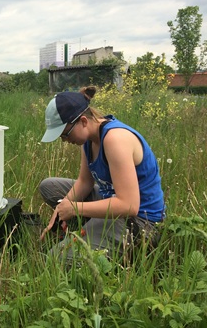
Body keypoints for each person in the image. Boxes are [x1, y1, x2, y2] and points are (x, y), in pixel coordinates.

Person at [38, 86, 165, 261]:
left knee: (55, 259)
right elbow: (84, 182)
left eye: (65, 134)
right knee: (49, 186)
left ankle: (93, 235)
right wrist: (61, 210)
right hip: (112, 202)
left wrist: (75, 209)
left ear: (83, 121)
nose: (65, 141)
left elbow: (129, 205)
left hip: (140, 221)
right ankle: (88, 230)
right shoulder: (89, 140)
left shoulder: (115, 140)